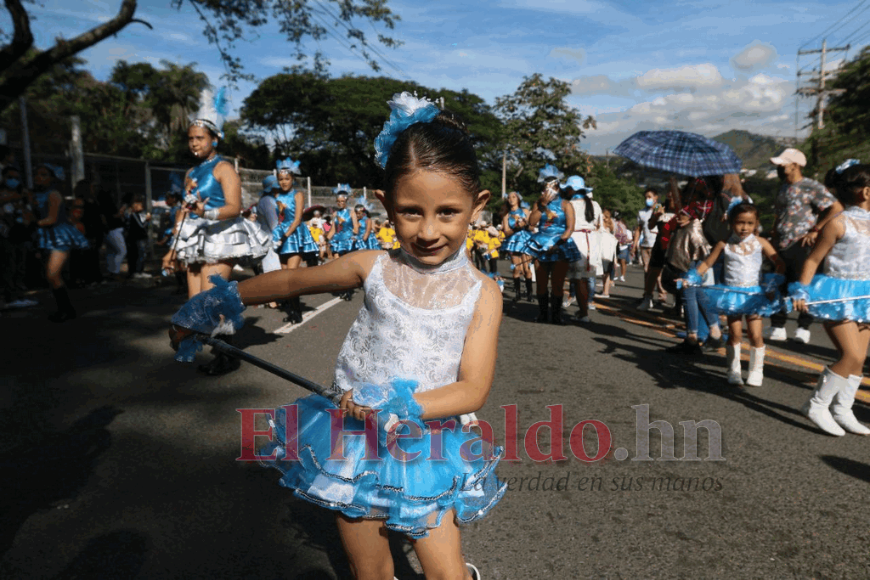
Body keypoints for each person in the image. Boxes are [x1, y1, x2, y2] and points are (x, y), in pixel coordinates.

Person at [169, 92, 505, 580]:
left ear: (477, 205)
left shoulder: (482, 293)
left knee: (444, 573)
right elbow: (290, 282)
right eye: (411, 211)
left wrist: (399, 405)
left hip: (428, 445)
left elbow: (472, 389)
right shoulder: (373, 267)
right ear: (386, 203)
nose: (428, 230)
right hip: (355, 441)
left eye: (447, 212)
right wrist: (217, 301)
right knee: (367, 570)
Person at [163, 87, 271, 375]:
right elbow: (184, 212)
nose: (194, 143)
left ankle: (227, 357)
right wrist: (172, 249)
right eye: (190, 139)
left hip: (222, 236)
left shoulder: (224, 168)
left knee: (213, 303)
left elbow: (234, 206)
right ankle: (210, 347)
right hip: (194, 240)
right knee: (194, 304)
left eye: (200, 138)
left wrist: (205, 212)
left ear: (214, 138)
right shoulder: (190, 173)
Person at [791, 161, 870, 436]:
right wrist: (801, 290)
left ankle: (842, 409)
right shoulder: (838, 223)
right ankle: (816, 404)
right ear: (866, 193)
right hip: (837, 295)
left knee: (859, 360)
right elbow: (813, 261)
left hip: (865, 296)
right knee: (850, 355)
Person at [686, 203, 785, 386]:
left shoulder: (761, 243)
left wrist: (771, 283)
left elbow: (779, 263)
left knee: (756, 334)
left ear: (756, 223)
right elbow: (707, 263)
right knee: (735, 333)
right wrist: (691, 277)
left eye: (749, 223)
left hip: (754, 294)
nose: (745, 227)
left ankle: (756, 370)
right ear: (731, 222)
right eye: (740, 223)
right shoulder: (724, 244)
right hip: (732, 294)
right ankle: (734, 369)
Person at [768, 148, 843, 344]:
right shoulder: (783, 187)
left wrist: (816, 229)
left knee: (801, 284)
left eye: (784, 163)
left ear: (795, 165)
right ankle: (778, 325)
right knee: (780, 283)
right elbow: (780, 213)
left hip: (801, 242)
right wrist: (774, 233)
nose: (780, 167)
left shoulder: (811, 186)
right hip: (782, 242)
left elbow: (835, 207)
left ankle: (803, 327)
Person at [32, 163, 88, 321]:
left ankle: (67, 310)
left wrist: (32, 224)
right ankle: (64, 309)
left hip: (59, 236)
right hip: (46, 236)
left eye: (44, 174)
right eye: (37, 174)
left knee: (53, 274)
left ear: (52, 178)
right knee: (51, 275)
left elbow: (52, 218)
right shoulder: (36, 194)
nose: (38, 177)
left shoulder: (53, 194)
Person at [526, 167, 580, 324]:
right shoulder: (539, 203)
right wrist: (542, 205)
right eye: (546, 187)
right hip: (541, 244)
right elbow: (532, 222)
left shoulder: (565, 204)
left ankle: (556, 316)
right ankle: (542, 314)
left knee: (557, 283)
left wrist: (559, 243)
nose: (548, 190)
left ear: (557, 188)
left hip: (560, 244)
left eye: (552, 187)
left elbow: (570, 228)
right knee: (541, 282)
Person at [272, 158, 318, 323]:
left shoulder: (298, 194)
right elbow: (280, 218)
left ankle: (297, 312)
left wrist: (284, 236)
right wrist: (276, 235)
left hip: (294, 235)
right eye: (281, 179)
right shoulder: (277, 195)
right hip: (282, 235)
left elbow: (298, 218)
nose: (284, 182)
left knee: (291, 276)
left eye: (287, 179)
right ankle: (292, 310)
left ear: (293, 179)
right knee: (284, 277)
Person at [565, 175, 601, 323]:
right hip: (592, 241)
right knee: (586, 278)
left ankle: (584, 312)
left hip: (576, 240)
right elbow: (599, 226)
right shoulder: (595, 205)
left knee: (577, 279)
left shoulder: (569, 205)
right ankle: (583, 310)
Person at [326, 185, 357, 300]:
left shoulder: (352, 213)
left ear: (346, 201)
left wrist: (352, 234)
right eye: (338, 201)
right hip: (337, 241)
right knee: (338, 266)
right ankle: (342, 288)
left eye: (342, 201)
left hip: (348, 240)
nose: (340, 203)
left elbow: (356, 229)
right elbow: (333, 229)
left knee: (346, 266)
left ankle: (348, 290)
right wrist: (326, 239)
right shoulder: (334, 214)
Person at [501, 191, 533, 302]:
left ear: (518, 199)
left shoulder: (525, 211)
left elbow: (532, 228)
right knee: (517, 269)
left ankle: (529, 294)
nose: (511, 199)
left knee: (527, 269)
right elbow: (505, 232)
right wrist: (516, 227)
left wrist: (526, 224)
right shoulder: (506, 215)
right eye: (509, 197)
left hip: (526, 241)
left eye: (513, 197)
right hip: (514, 242)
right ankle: (518, 294)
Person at [633, 187, 659, 272]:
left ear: (656, 197)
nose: (647, 199)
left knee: (657, 272)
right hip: (644, 246)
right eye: (646, 197)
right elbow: (638, 229)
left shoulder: (661, 210)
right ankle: (647, 285)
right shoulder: (642, 212)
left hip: (657, 246)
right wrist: (634, 245)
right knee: (646, 270)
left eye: (649, 197)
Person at [124, 194, 151, 279]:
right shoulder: (133, 214)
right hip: (137, 238)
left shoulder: (140, 213)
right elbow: (141, 225)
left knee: (141, 254)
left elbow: (145, 226)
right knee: (138, 255)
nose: (141, 206)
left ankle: (139, 271)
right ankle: (137, 271)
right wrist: (147, 220)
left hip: (141, 237)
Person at [613, 211, 632, 281]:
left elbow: (626, 238)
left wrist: (625, 241)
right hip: (616, 246)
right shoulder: (614, 224)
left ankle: (622, 276)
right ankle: (615, 275)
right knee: (615, 261)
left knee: (622, 262)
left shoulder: (624, 227)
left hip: (623, 247)